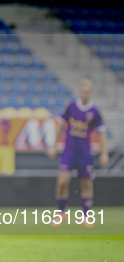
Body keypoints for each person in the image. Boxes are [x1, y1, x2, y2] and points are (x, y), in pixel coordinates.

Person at [47, 78, 108, 228]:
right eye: (83, 91)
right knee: (62, 181)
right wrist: (54, 146)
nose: (85, 93)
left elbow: (102, 133)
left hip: (85, 152)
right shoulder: (71, 107)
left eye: (87, 91)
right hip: (69, 150)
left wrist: (104, 153)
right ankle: (61, 213)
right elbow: (60, 125)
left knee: (87, 184)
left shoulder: (95, 112)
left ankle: (86, 217)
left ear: (91, 92)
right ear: (80, 91)